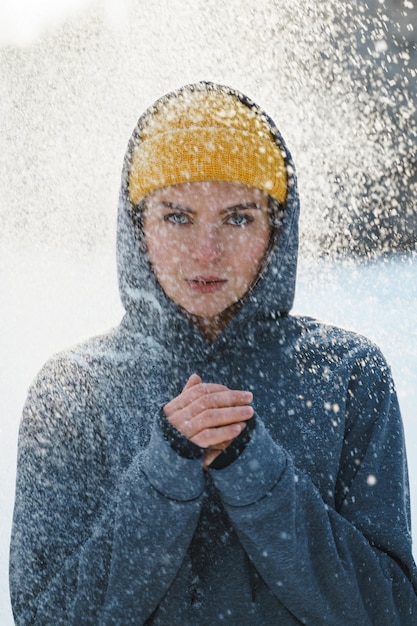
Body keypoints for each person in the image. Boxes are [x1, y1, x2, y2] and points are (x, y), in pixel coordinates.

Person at [9, 81, 417, 625]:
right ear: (138, 226)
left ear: (277, 227)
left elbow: (389, 611)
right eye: (177, 217)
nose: (206, 252)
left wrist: (257, 472)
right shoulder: (74, 389)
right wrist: (166, 473)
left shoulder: (346, 375)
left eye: (239, 217)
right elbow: (45, 617)